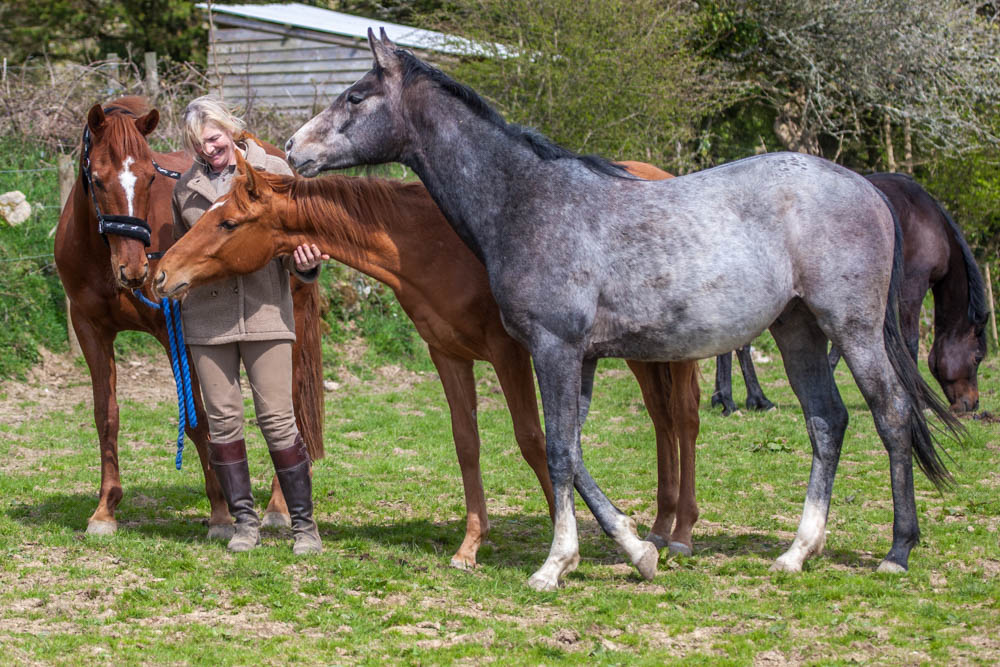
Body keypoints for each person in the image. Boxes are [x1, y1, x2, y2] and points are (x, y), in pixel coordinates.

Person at [171, 95, 330, 554]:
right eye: (199, 145)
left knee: (278, 421)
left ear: (230, 129)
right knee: (222, 422)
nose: (209, 150)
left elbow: (301, 245)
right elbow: (185, 253)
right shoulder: (185, 190)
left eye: (214, 138)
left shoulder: (276, 173)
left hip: (265, 312)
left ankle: (304, 526)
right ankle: (244, 523)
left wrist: (306, 266)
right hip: (209, 319)